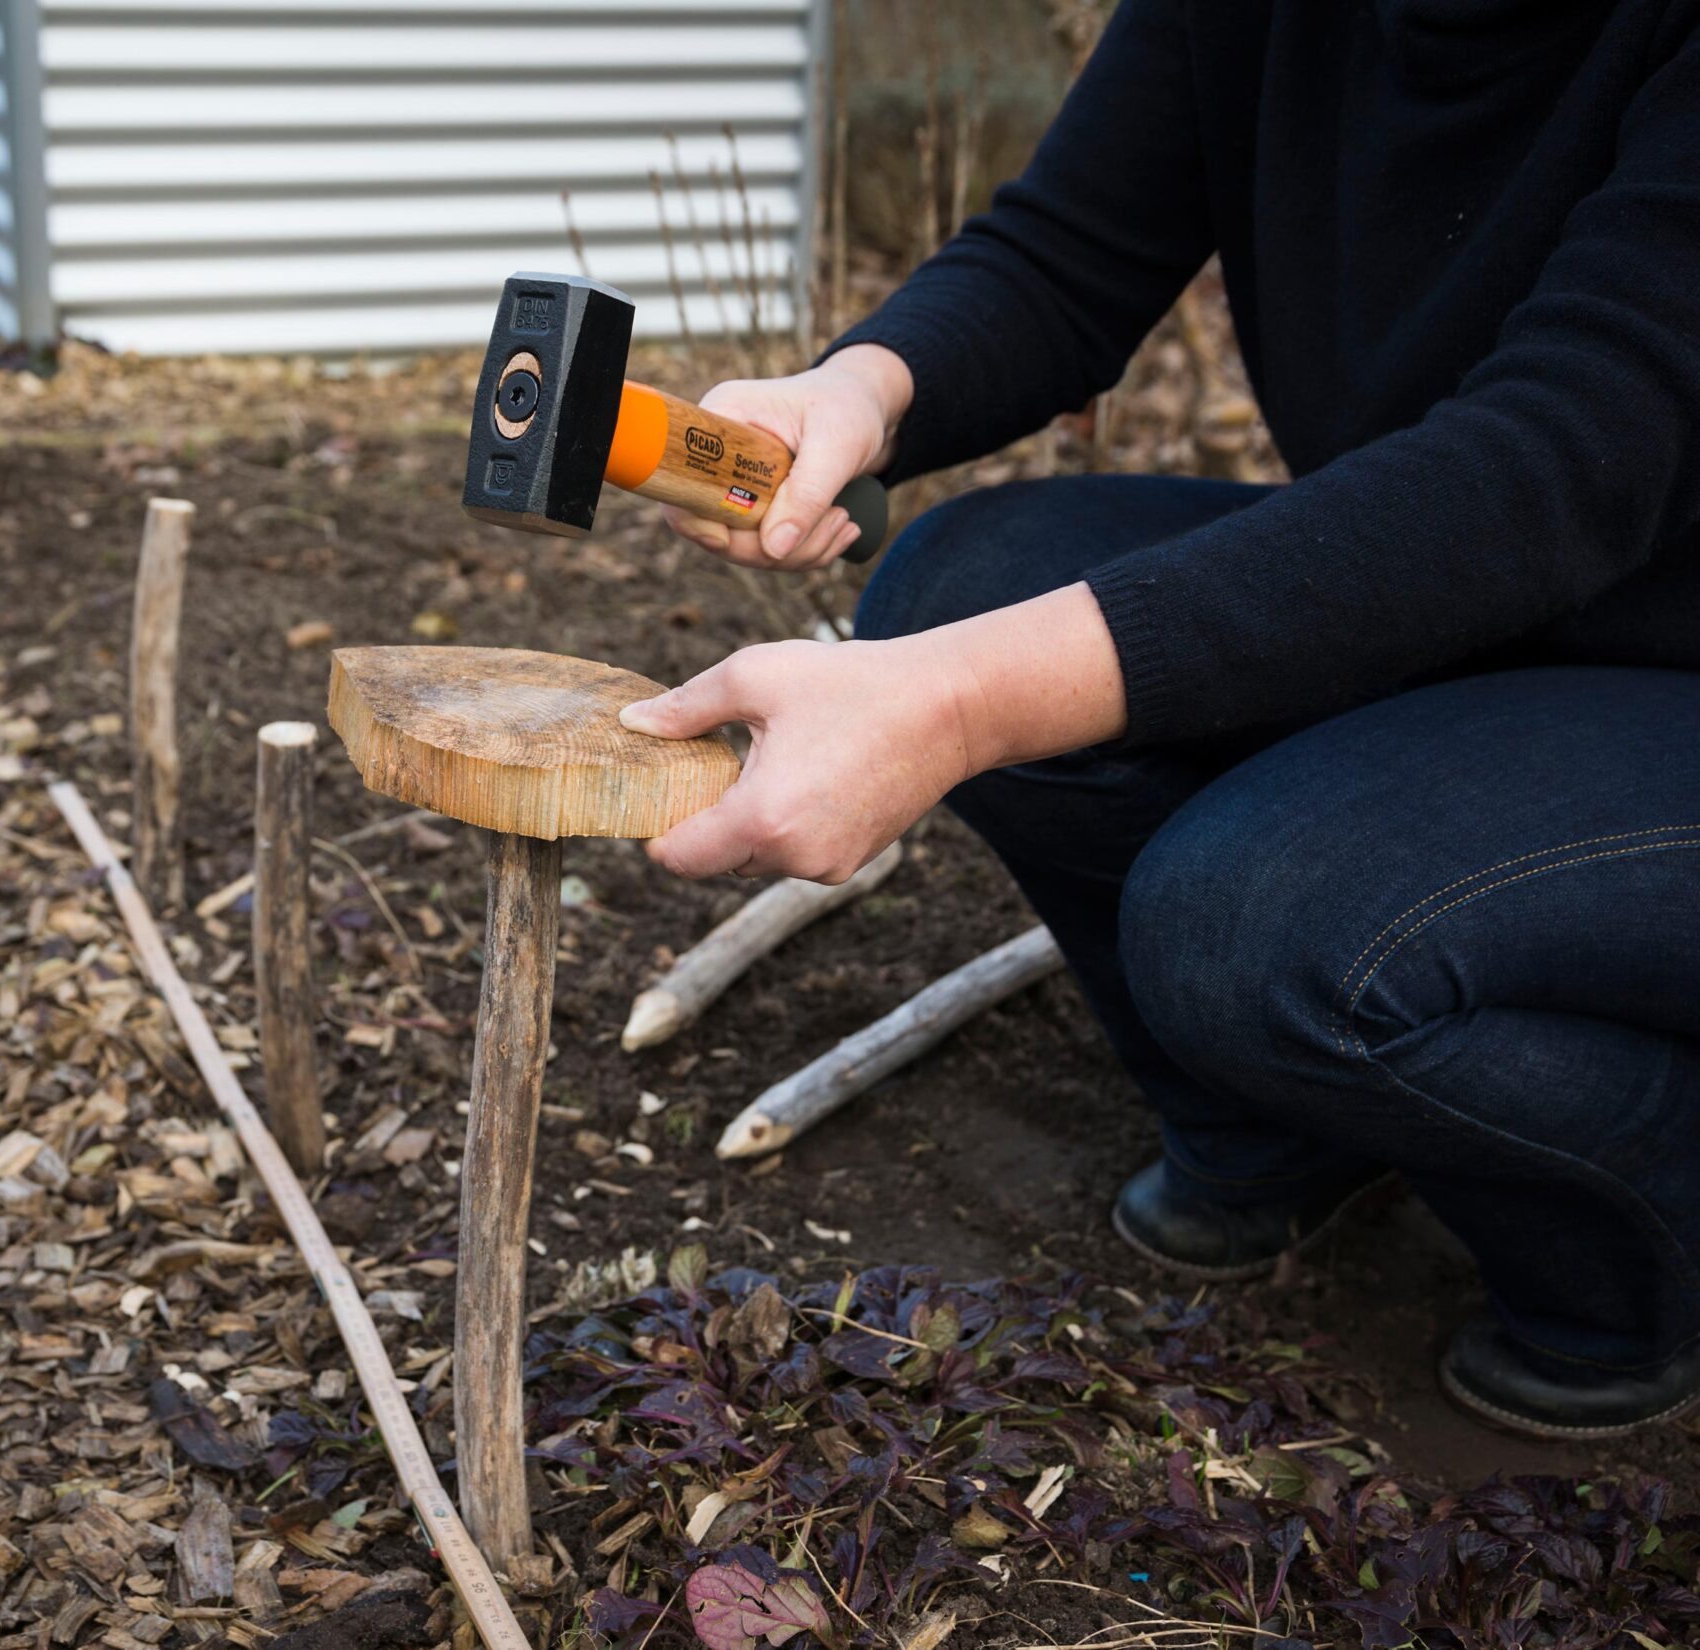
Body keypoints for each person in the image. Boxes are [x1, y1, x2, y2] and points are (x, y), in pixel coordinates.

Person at [617, 0, 1700, 1439]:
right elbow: (1069, 255)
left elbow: (1552, 467)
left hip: (1661, 657)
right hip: (1471, 604)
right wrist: (857, 392)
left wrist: (960, 701)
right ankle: (1287, 1137)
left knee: (1257, 919)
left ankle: (1628, 1273)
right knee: (959, 581)